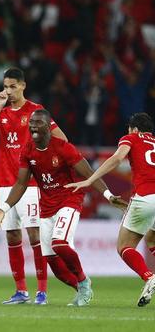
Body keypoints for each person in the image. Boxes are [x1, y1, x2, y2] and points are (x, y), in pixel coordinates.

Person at [0, 109, 127, 306]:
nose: (33, 125)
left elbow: (89, 173)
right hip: (47, 206)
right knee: (52, 261)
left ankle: (84, 281)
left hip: (69, 200)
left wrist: (108, 195)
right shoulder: (28, 151)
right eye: (31, 122)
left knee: (59, 243)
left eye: (38, 122)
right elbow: (21, 184)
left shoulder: (63, 148)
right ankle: (81, 288)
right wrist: (4, 208)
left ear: (49, 127)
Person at [0, 67, 68, 305]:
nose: (8, 91)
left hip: (30, 184)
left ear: (22, 86)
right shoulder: (2, 111)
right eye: (5, 86)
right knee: (12, 236)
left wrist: (44, 155)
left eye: (12, 86)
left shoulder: (35, 112)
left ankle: (42, 291)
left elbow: (62, 139)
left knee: (34, 234)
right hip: (5, 184)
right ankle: (21, 291)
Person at [65, 112, 155, 307]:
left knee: (124, 247)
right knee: (151, 238)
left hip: (145, 197)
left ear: (135, 129)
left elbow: (117, 158)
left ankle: (149, 277)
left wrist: (90, 179)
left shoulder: (131, 138)